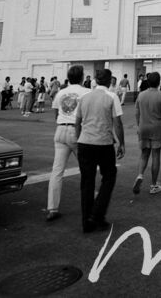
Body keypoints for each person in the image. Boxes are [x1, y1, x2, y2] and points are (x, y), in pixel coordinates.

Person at [75, 68, 125, 233]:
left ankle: (86, 221)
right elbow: (117, 123)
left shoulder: (84, 97)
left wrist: (78, 140)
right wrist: (121, 143)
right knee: (109, 177)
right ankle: (98, 213)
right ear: (110, 80)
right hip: (103, 143)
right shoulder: (111, 97)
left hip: (85, 142)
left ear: (95, 79)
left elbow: (78, 121)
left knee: (87, 182)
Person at [46, 65, 90, 221]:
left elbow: (56, 112)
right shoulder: (86, 93)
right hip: (77, 131)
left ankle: (52, 207)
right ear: (82, 77)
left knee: (57, 171)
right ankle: (90, 201)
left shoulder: (61, 93)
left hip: (60, 129)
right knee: (86, 169)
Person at [132, 72, 161, 195]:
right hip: (157, 128)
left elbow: (136, 113)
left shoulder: (141, 95)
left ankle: (140, 175)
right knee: (156, 156)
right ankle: (154, 184)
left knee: (144, 154)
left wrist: (139, 126)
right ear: (159, 82)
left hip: (143, 127)